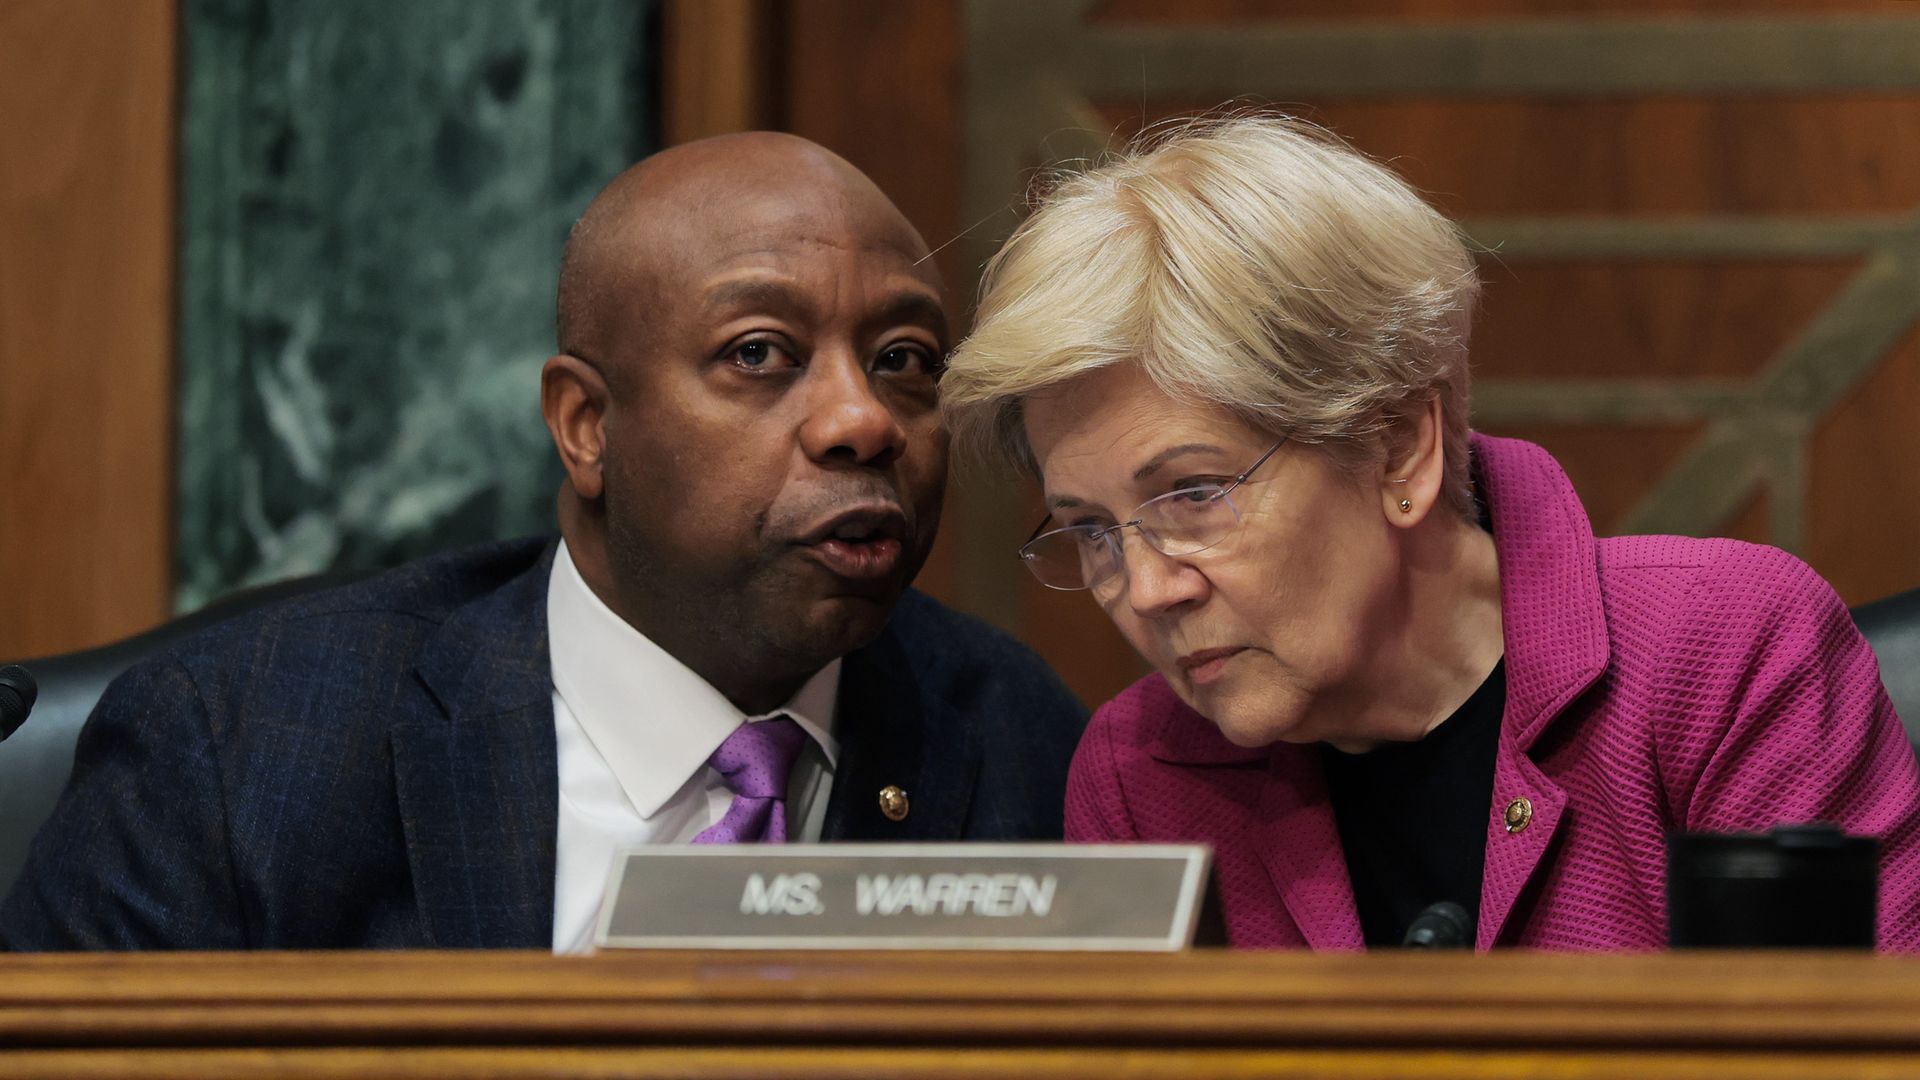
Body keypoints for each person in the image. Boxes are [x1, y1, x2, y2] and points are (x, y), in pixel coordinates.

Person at [1, 133, 1086, 952]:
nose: (863, 420)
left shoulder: (1015, 738)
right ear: (586, 427)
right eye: (760, 352)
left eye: (905, 360)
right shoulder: (240, 747)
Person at [938, 115, 1920, 950]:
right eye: (1094, 534)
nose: (1148, 591)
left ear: (1399, 451)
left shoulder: (1724, 648)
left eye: (1193, 495)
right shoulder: (1143, 774)